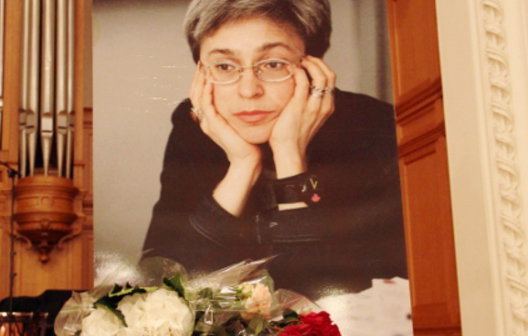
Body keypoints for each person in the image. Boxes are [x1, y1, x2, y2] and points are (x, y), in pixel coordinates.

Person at [142, 0, 406, 300]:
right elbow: (162, 286)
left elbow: (336, 303)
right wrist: (242, 166)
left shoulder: (376, 127)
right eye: (225, 66)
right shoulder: (195, 126)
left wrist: (290, 156)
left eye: (273, 64)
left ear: (314, 66)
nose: (248, 90)